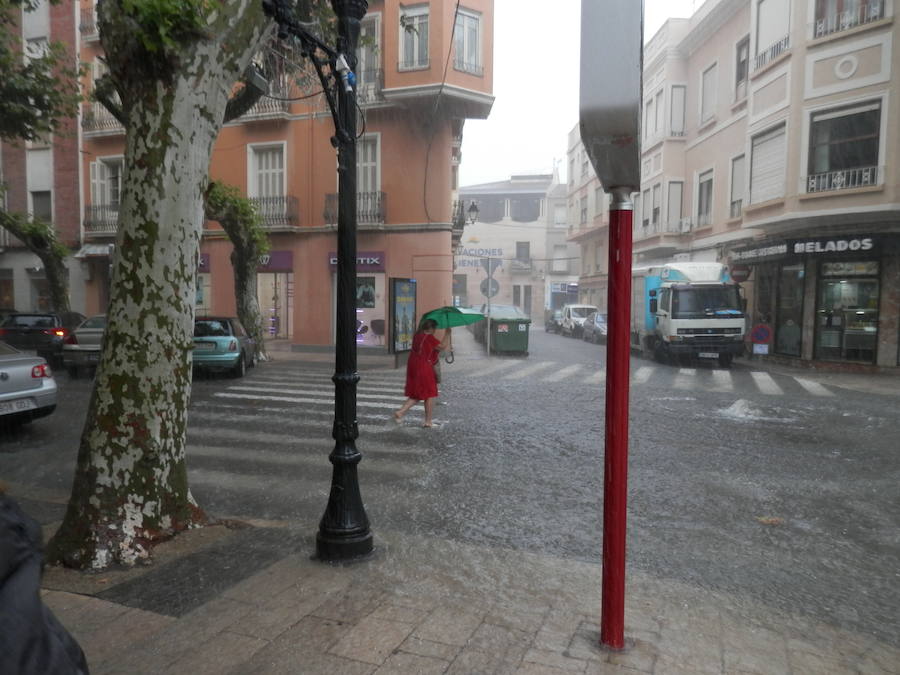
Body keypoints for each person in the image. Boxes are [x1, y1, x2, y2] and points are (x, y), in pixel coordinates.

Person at [393, 319, 451, 427]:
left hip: (414, 366)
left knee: (419, 392)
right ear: (432, 328)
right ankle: (427, 421)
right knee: (430, 392)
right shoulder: (429, 338)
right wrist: (448, 333)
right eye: (435, 329)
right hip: (424, 367)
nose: (435, 331)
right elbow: (442, 346)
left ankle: (400, 412)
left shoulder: (417, 335)